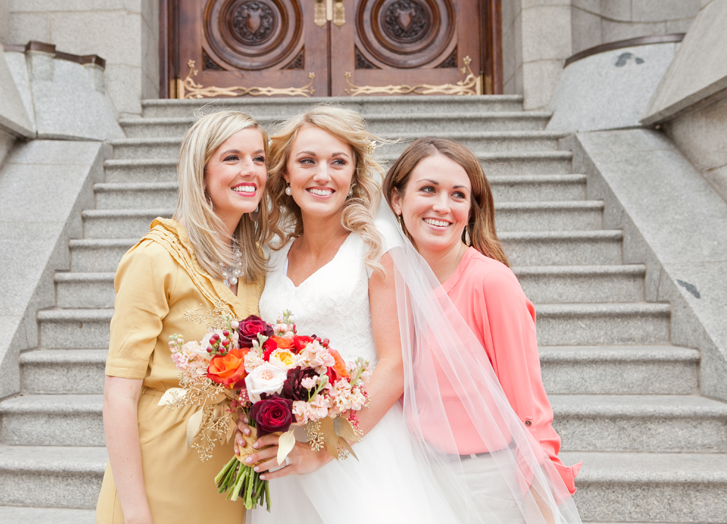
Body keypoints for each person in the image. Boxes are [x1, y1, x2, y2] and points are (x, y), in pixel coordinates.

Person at [236, 106, 458, 523]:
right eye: (307, 161)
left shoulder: (376, 246)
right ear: (286, 174)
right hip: (285, 448)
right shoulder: (272, 256)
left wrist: (323, 451)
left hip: (359, 448)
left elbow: (395, 366)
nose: (323, 175)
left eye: (338, 162)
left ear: (354, 175)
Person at [383, 137, 582, 524]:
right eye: (428, 189)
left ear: (471, 210)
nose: (443, 206)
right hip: (415, 480)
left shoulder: (491, 282)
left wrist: (543, 506)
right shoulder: (390, 285)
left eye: (458, 195)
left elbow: (529, 410)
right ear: (396, 199)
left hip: (488, 484)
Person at [96, 111, 271, 524]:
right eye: (232, 157)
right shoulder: (155, 257)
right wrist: (136, 513)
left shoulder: (255, 267)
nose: (250, 170)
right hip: (161, 471)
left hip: (226, 477)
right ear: (201, 171)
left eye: (259, 158)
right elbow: (118, 396)